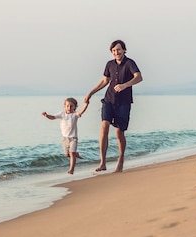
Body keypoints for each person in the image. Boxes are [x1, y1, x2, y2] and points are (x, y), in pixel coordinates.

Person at [84, 39, 143, 173]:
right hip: (109, 100)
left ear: (124, 50)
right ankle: (103, 162)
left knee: (119, 132)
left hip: (124, 102)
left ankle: (121, 159)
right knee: (104, 126)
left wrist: (125, 85)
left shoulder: (129, 63)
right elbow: (105, 81)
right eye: (114, 50)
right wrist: (90, 93)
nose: (116, 52)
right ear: (112, 52)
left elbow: (139, 77)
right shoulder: (109, 64)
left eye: (119, 49)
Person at [42, 97, 89, 175]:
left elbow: (81, 111)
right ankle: (76, 154)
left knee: (71, 153)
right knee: (67, 154)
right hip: (65, 138)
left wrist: (86, 104)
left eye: (71, 106)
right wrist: (47, 115)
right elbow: (53, 117)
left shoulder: (75, 115)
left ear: (75, 107)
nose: (69, 108)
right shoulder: (62, 114)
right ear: (64, 106)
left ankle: (71, 169)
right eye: (67, 106)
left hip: (73, 138)